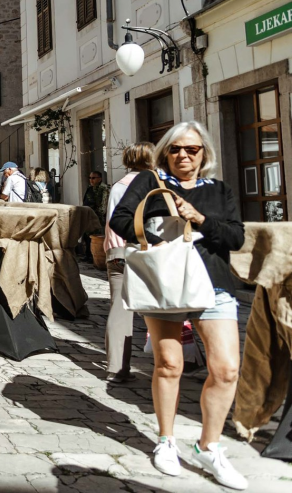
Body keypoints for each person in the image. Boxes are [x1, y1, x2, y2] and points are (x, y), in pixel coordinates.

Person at [110, 122, 247, 489]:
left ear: (205, 154)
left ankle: (209, 446)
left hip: (215, 284)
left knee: (226, 369)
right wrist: (154, 241)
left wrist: (200, 219)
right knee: (169, 363)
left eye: (192, 149)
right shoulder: (150, 183)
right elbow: (120, 218)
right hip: (166, 283)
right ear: (165, 153)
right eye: (175, 149)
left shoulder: (219, 191)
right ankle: (166, 440)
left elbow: (235, 237)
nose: (183, 155)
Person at [102, 142, 155, 384]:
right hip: (152, 251)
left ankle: (117, 367)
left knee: (120, 309)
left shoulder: (118, 187)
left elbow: (112, 220)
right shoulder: (155, 187)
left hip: (119, 251)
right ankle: (183, 359)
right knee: (164, 306)